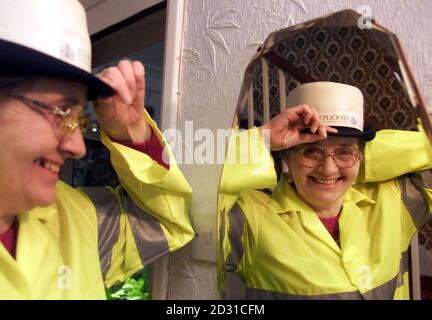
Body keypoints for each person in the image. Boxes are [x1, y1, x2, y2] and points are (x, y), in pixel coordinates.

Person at [0, 0, 194, 299]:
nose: (78, 147)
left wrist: (131, 132)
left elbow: (167, 224)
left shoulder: (78, 218)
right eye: (62, 110)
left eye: (80, 118)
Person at [218, 81, 432, 299]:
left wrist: (364, 162)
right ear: (287, 157)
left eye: (345, 152)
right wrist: (262, 139)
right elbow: (192, 186)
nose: (328, 168)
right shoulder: (249, 219)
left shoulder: (393, 199)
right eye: (311, 151)